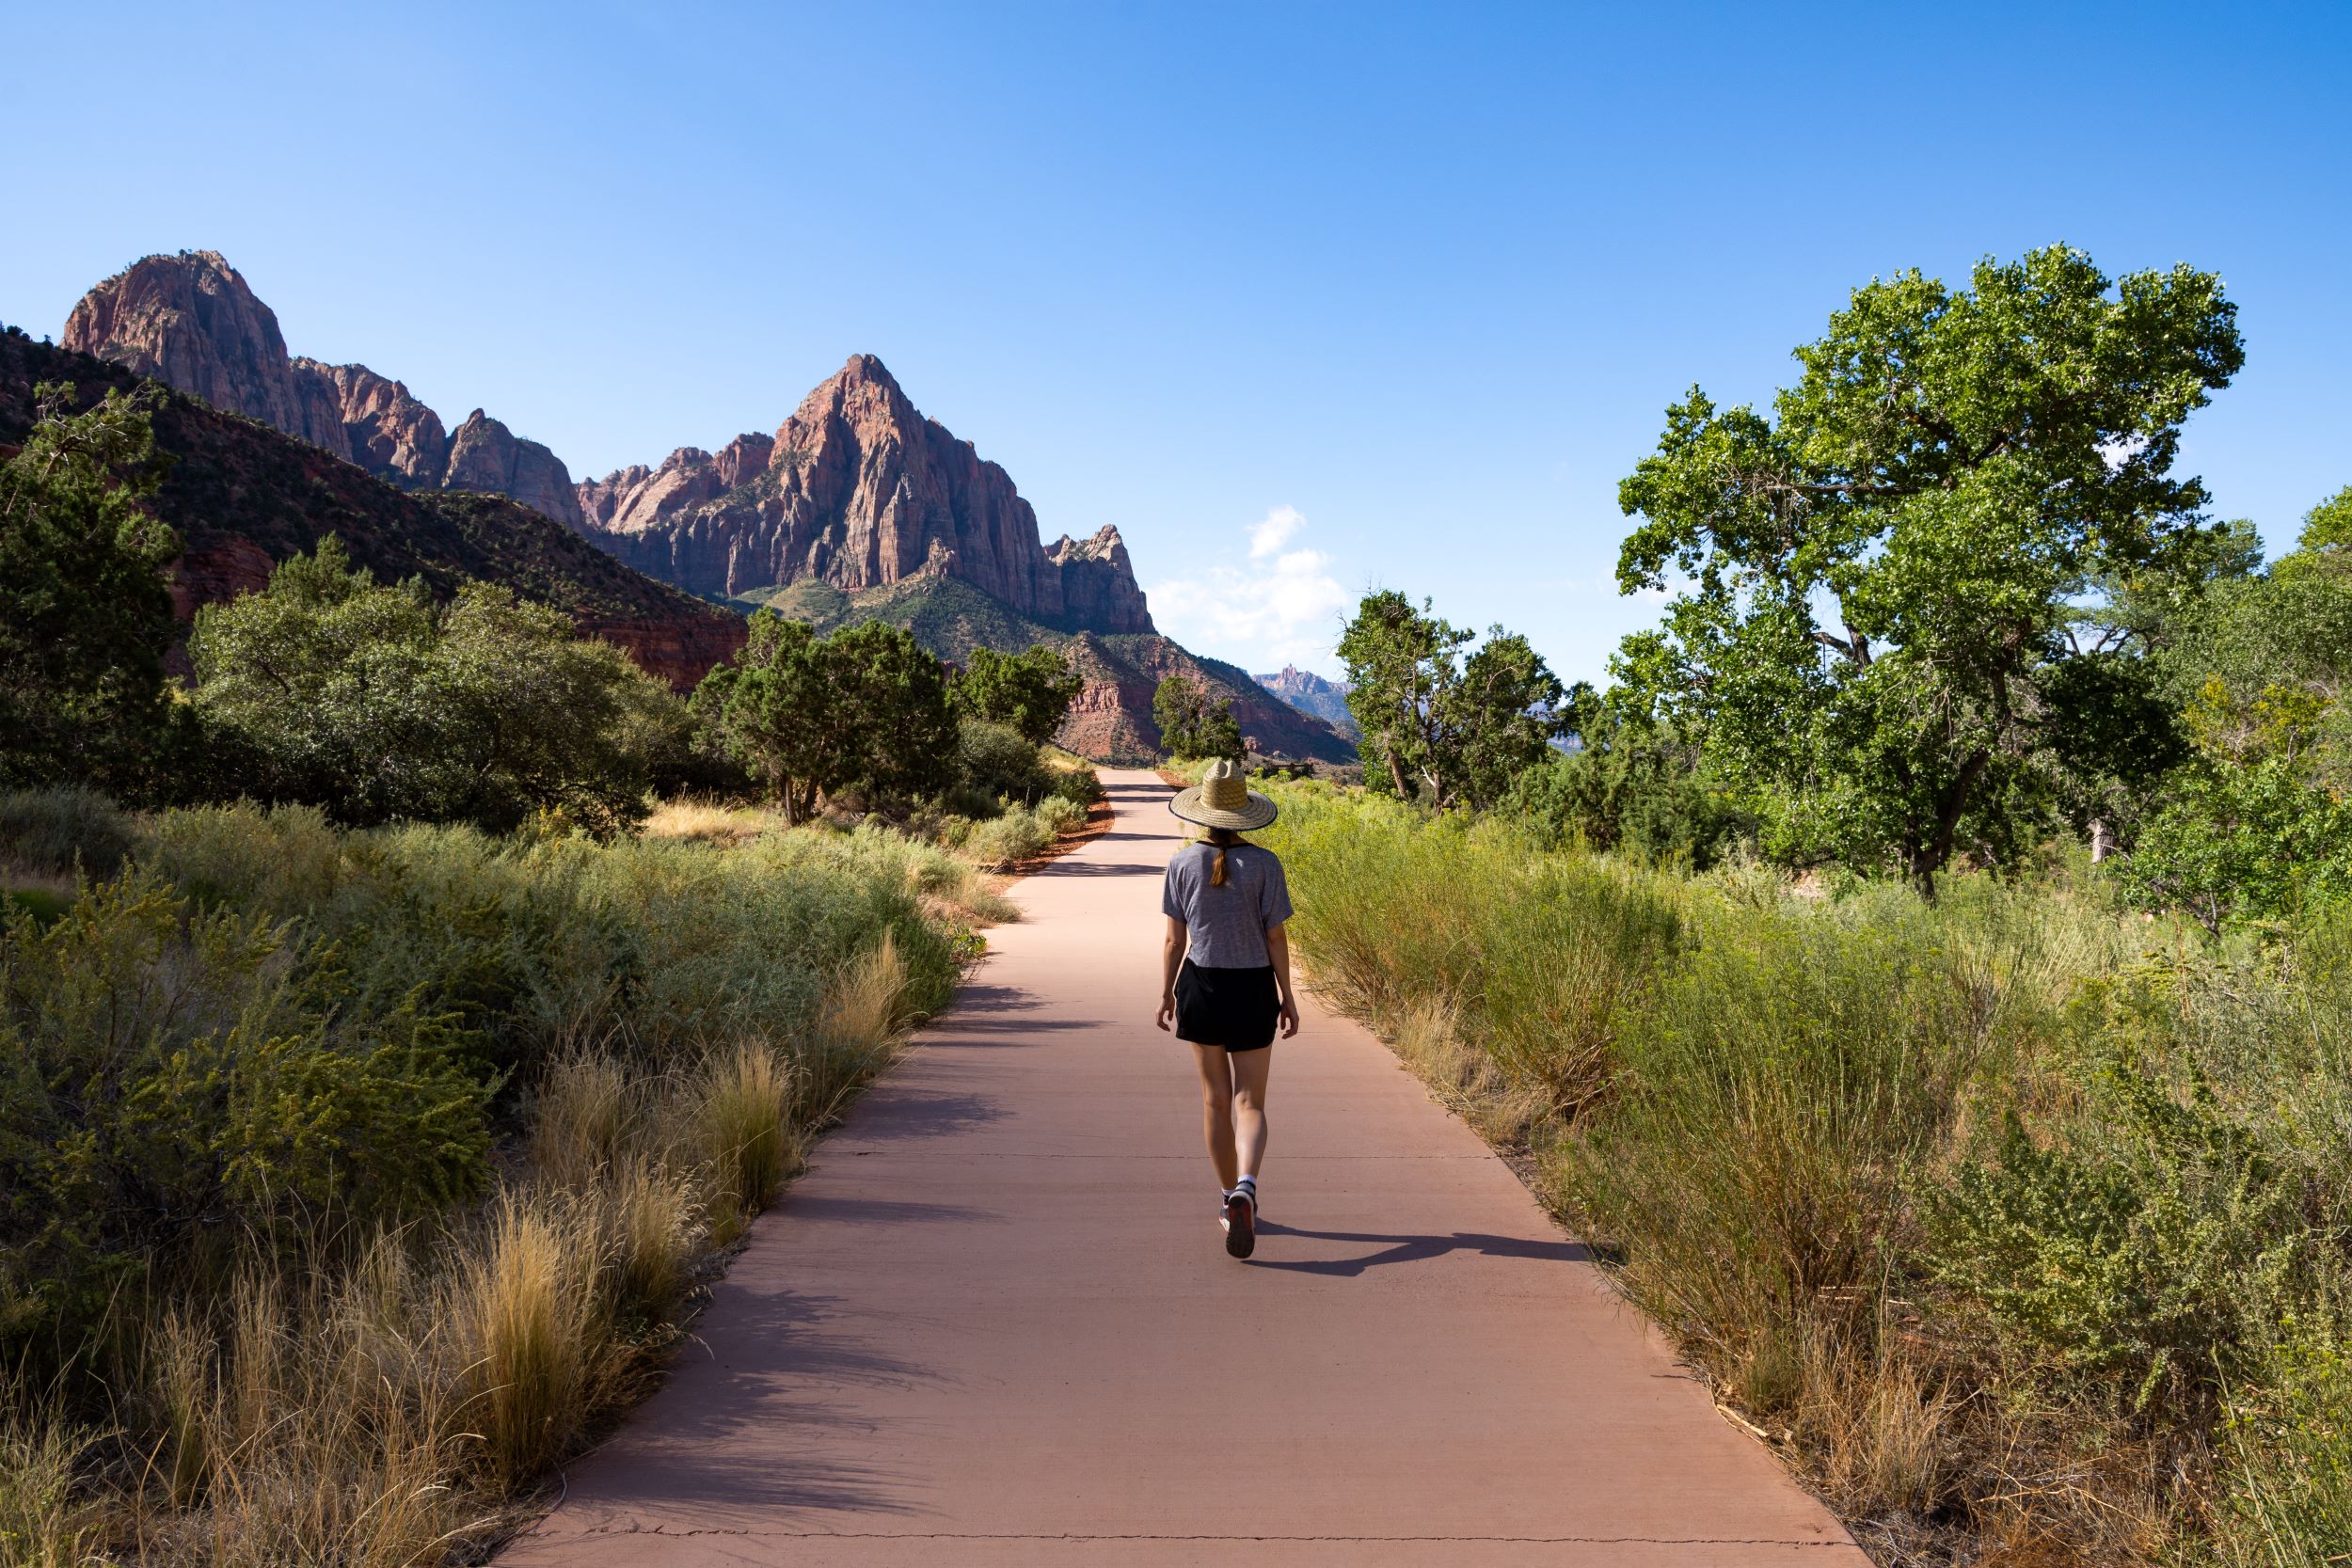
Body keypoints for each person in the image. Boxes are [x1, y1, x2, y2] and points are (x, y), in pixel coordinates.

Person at [1155, 758, 1300, 1258]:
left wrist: (1167, 993)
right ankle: (1246, 1187)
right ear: (1245, 813)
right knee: (1251, 1103)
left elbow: (1175, 942)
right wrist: (1288, 998)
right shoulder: (1265, 864)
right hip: (1254, 989)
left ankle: (1226, 1199)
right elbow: (1276, 938)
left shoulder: (1180, 864)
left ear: (1202, 813)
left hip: (1202, 986)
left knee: (1216, 1101)